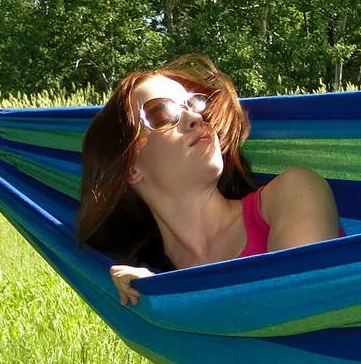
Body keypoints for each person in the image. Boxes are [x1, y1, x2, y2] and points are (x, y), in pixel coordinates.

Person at [77, 55, 342, 305]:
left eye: (194, 105)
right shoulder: (144, 280)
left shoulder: (295, 192)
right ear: (130, 168)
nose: (195, 117)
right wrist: (155, 294)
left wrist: (172, 299)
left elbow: (297, 307)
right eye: (163, 113)